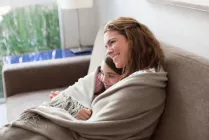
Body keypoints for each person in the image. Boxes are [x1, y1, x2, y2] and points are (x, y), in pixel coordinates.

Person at [0, 17, 167, 140]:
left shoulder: (146, 84)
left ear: (132, 39)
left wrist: (71, 109)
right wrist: (69, 106)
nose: (108, 50)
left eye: (112, 42)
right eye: (106, 46)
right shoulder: (130, 75)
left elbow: (100, 126)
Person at [49, 56, 123, 120]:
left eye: (111, 75)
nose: (104, 79)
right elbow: (65, 95)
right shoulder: (97, 79)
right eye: (102, 73)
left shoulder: (124, 94)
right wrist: (65, 101)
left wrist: (81, 112)